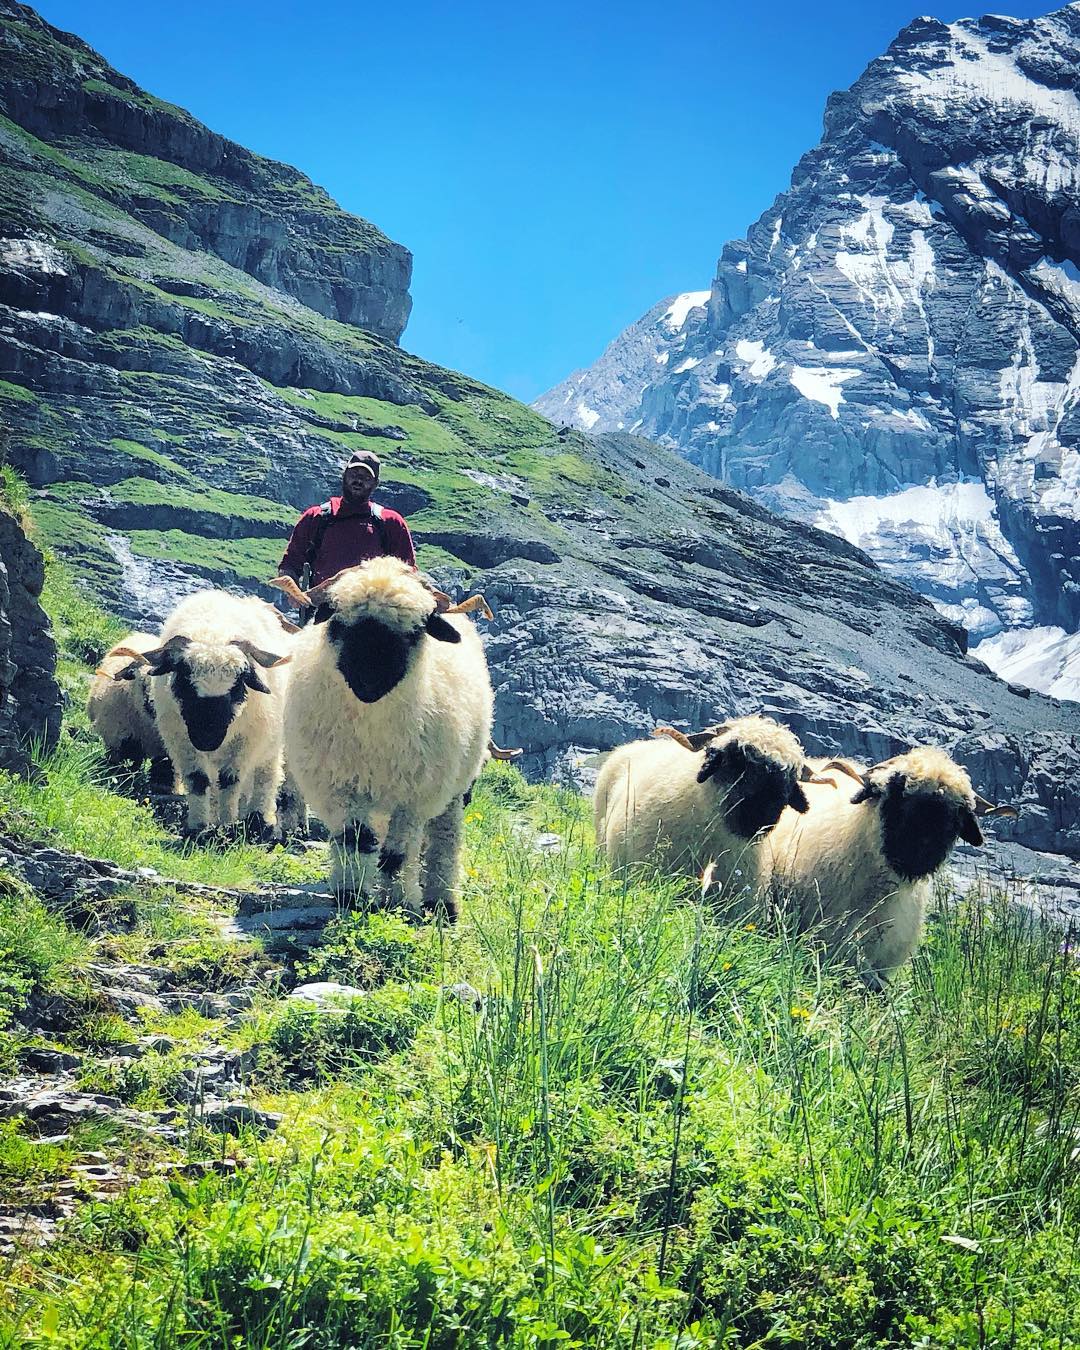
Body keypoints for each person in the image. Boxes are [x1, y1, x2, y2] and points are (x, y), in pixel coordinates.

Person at [278, 449, 415, 592]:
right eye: (354, 474)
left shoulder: (390, 522)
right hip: (324, 607)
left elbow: (407, 572)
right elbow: (290, 563)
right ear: (344, 475)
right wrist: (293, 593)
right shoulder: (317, 517)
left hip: (375, 607)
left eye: (366, 478)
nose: (359, 481)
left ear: (375, 484)